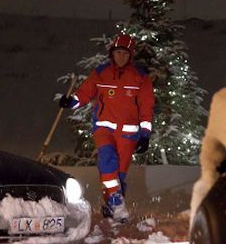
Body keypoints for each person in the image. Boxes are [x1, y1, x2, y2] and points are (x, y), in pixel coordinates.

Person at [59, 34, 154, 222]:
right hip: (104, 129)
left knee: (119, 174)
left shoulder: (141, 78)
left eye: (125, 53)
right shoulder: (101, 73)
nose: (121, 57)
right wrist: (71, 102)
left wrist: (145, 134)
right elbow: (84, 93)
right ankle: (117, 202)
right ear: (112, 53)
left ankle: (111, 205)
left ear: (130, 55)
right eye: (118, 53)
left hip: (128, 134)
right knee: (107, 161)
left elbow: (146, 107)